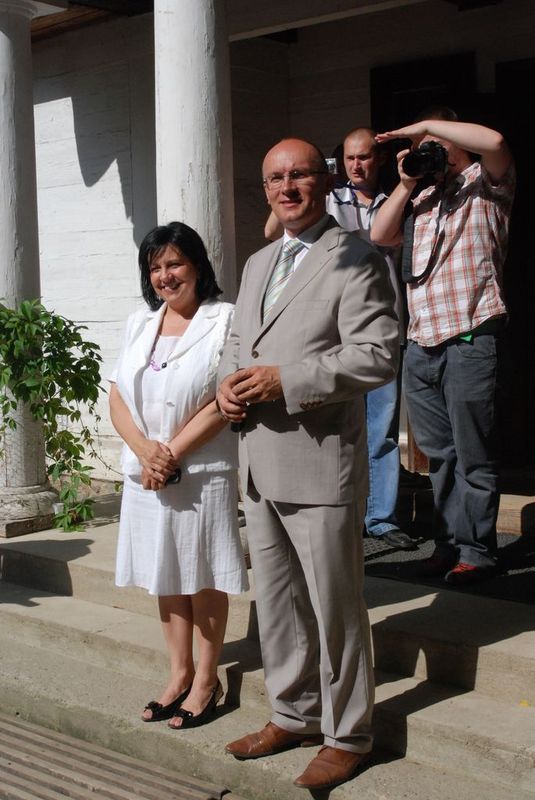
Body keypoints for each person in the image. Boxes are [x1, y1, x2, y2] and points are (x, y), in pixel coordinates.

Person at [217, 138, 399, 790]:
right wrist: (225, 387)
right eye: (275, 178)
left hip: (320, 462)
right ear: (265, 188)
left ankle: (347, 734)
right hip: (259, 461)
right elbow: (236, 343)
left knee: (334, 608)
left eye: (299, 175)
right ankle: (293, 713)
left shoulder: (355, 256)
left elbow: (377, 354)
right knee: (278, 604)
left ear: (322, 182)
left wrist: (285, 380)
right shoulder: (258, 262)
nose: (287, 187)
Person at [109, 221, 248, 730]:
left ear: (197, 266)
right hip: (144, 471)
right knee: (164, 573)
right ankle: (178, 673)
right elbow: (117, 395)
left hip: (201, 471)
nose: (165, 275)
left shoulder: (225, 318)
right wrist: (145, 451)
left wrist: (169, 454)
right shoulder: (139, 322)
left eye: (175, 263)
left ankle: (207, 680)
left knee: (202, 574)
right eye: (156, 267)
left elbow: (225, 399)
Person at [372, 108, 515, 585]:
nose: (428, 149)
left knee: (473, 453)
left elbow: (495, 140)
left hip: (470, 334)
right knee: (441, 456)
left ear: (456, 140)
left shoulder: (486, 183)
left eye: (435, 142)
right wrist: (407, 182)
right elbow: (379, 235)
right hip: (422, 343)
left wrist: (426, 129)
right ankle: (449, 544)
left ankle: (478, 552)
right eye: (421, 145)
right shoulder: (423, 197)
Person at [327, 127, 415, 551]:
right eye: (349, 158)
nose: (356, 165)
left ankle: (380, 518)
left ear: (377, 159)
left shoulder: (396, 202)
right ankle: (343, 512)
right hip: (336, 332)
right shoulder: (329, 200)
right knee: (339, 426)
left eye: (363, 157)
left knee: (381, 428)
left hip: (384, 327)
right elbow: (276, 229)